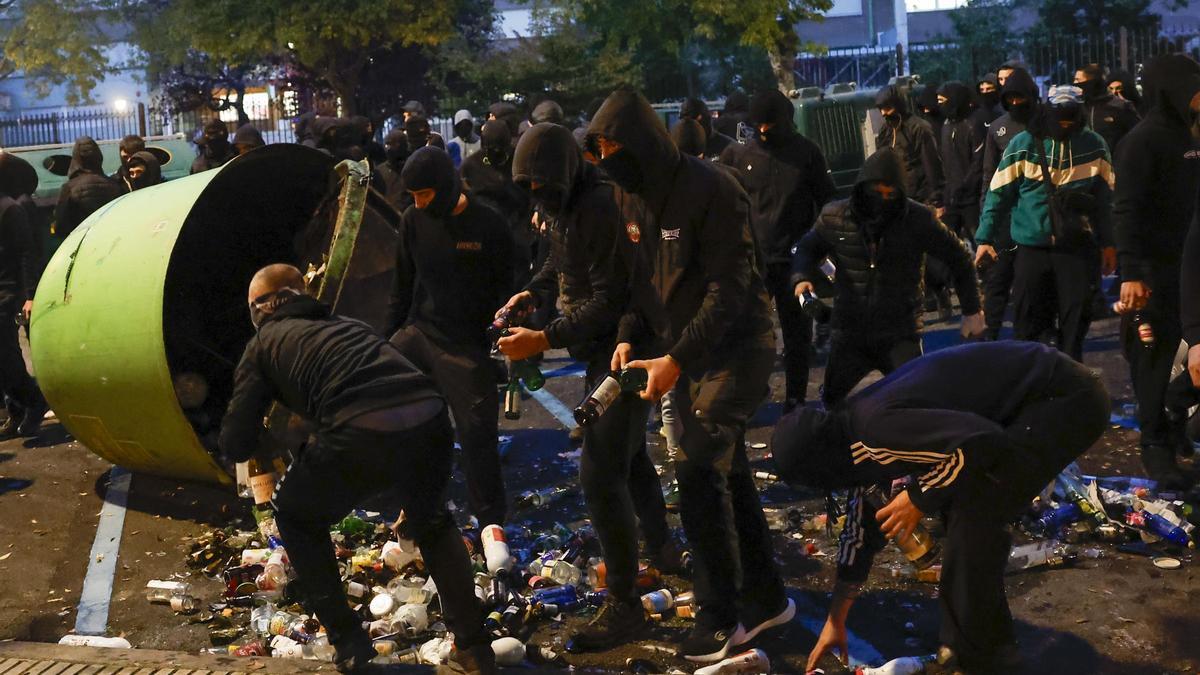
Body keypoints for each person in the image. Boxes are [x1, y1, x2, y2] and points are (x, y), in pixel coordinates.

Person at [588, 88, 793, 663]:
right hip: (679, 352)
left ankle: (719, 616)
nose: (605, 159)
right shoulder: (629, 198)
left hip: (737, 347)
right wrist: (630, 332)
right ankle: (767, 598)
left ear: (641, 143)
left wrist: (675, 359)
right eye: (598, 150)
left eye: (611, 147)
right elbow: (639, 282)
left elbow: (730, 290)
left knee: (699, 467)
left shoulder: (712, 188)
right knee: (729, 473)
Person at [770, 341, 1109, 675]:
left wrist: (918, 497)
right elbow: (862, 524)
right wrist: (836, 621)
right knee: (962, 499)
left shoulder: (872, 430)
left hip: (1065, 399)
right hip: (1038, 399)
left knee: (974, 511)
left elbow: (980, 440)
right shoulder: (849, 437)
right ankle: (970, 648)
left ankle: (984, 661)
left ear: (819, 466)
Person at [219, 264, 494, 674]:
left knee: (295, 516)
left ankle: (350, 644)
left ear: (262, 307)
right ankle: (474, 649)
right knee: (434, 523)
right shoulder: (347, 325)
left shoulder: (263, 344)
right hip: (431, 418)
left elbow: (235, 442)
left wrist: (275, 431)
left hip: (360, 428)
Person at [497, 123, 674, 651]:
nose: (537, 198)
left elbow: (608, 298)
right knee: (629, 456)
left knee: (599, 471)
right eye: (528, 189)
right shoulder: (564, 206)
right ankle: (662, 547)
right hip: (597, 348)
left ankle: (625, 605)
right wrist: (532, 292)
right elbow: (557, 258)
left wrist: (543, 339)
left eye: (541, 187)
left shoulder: (599, 206)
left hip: (623, 347)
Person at [792, 148, 984, 407]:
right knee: (833, 403)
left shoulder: (918, 219)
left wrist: (972, 310)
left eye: (890, 194)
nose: (882, 200)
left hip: (899, 331)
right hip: (850, 331)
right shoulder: (835, 216)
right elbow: (807, 247)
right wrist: (802, 278)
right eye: (876, 192)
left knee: (916, 404)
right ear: (863, 188)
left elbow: (959, 258)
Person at [388, 147, 514, 528]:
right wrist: (382, 342)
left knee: (477, 434)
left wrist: (504, 334)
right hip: (420, 332)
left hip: (465, 344)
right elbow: (402, 286)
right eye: (413, 196)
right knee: (381, 401)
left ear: (444, 187)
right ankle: (412, 507)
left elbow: (508, 289)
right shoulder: (412, 219)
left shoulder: (488, 224)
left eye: (424, 194)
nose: (419, 203)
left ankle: (491, 524)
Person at [975, 85, 1117, 362]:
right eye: (1059, 115)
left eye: (1070, 116)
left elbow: (1105, 203)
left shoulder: (1095, 145)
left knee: (1075, 321)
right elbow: (998, 194)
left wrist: (1110, 244)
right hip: (1031, 247)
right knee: (1028, 322)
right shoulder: (1023, 144)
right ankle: (1031, 382)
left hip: (1076, 248)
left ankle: (1070, 382)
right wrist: (984, 239)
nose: (1065, 122)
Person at [1112, 54, 1200, 490]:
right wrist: (1131, 271)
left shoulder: (1192, 134)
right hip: (1154, 275)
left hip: (1191, 269)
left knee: (1190, 359)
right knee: (1153, 361)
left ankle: (1178, 425)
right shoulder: (1141, 142)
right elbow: (1126, 210)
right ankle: (1155, 446)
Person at [720, 89, 836, 410]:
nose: (763, 131)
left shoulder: (807, 154)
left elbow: (828, 200)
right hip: (752, 262)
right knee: (745, 335)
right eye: (758, 125)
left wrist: (822, 246)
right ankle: (747, 395)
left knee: (797, 337)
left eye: (770, 124)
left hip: (795, 262)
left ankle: (795, 401)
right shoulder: (738, 156)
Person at [977, 67, 1040, 341]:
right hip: (1005, 214)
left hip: (1035, 213)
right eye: (1010, 98)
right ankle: (990, 333)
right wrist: (985, 225)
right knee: (998, 279)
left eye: (1020, 97)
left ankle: (1033, 334)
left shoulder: (1045, 122)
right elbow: (989, 176)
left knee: (1032, 283)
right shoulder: (998, 128)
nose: (1016, 103)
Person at [0, 151, 49, 437]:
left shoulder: (10, 209)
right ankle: (18, 408)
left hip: (7, 291)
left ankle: (33, 401)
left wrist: (29, 294)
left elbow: (26, 254)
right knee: (7, 354)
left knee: (5, 355)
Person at [461, 120, 535, 290]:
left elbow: (531, 195)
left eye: (500, 151)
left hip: (517, 232)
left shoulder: (519, 160)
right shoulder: (472, 165)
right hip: (485, 235)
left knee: (519, 285)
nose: (496, 155)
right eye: (491, 151)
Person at [875, 85, 944, 211]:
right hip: (898, 199)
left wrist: (936, 200)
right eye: (881, 109)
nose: (884, 113)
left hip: (921, 198)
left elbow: (931, 165)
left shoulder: (919, 128)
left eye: (888, 108)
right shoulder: (885, 131)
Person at [937, 82, 987, 239]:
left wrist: (964, 187)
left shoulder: (972, 125)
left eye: (942, 100)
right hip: (952, 197)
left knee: (978, 239)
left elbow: (978, 162)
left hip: (971, 198)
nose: (939, 105)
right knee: (947, 243)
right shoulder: (946, 126)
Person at [53, 136, 122, 240]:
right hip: (110, 240)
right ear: (99, 157)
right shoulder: (114, 185)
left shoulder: (69, 188)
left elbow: (61, 225)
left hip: (81, 242)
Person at [1074, 64, 1140, 153]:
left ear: (1091, 82)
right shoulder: (1079, 108)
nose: (1075, 84)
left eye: (1078, 80)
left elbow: (1136, 136)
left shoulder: (1121, 107)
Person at [376, 128, 409, 210]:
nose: (389, 148)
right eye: (387, 144)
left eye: (395, 144)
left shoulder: (412, 168)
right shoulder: (379, 172)